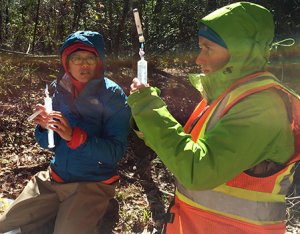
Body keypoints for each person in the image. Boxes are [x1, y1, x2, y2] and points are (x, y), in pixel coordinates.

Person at [128, 2, 300, 234]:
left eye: (208, 48)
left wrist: (149, 109)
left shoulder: (262, 106)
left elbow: (196, 171)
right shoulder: (226, 96)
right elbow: (181, 149)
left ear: (240, 52)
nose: (199, 59)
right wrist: (144, 122)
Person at [0, 31, 131, 234]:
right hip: (55, 178)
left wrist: (76, 137)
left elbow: (116, 152)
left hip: (92, 184)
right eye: (76, 58)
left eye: (90, 58)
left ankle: (104, 207)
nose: (84, 64)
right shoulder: (57, 90)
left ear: (99, 62)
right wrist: (44, 127)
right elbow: (48, 144)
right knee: (7, 227)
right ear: (66, 63)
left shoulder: (113, 95)